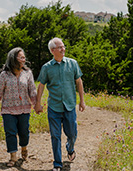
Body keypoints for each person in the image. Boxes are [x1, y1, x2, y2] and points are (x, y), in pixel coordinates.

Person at [35, 37, 85, 171]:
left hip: (69, 105)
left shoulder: (72, 63)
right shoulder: (46, 68)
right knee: (55, 136)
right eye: (60, 47)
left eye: (63, 46)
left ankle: (70, 148)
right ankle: (57, 163)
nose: (63, 49)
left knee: (72, 133)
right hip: (54, 107)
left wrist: (82, 100)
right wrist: (37, 103)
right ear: (52, 50)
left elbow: (79, 82)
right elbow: (41, 86)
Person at [0, 47, 37, 167]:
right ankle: (13, 157)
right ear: (13, 59)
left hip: (24, 109)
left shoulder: (28, 73)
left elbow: (32, 91)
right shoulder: (4, 75)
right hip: (8, 110)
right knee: (10, 132)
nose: (24, 59)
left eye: (24, 57)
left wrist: (36, 104)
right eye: (21, 57)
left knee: (24, 132)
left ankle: (24, 148)